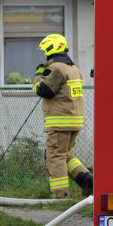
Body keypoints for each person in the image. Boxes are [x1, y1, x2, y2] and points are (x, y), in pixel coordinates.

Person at [33, 33, 93, 198]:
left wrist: (38, 75)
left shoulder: (56, 68)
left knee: (55, 157)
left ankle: (61, 196)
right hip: (73, 121)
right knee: (63, 154)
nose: (45, 55)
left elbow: (42, 90)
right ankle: (86, 179)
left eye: (46, 51)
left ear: (51, 50)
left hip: (59, 122)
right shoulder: (74, 70)